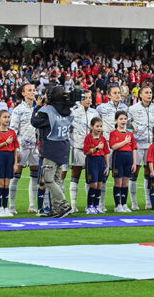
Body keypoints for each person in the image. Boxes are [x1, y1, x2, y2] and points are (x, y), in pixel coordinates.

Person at [30, 84, 75, 218]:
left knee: (48, 179)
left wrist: (38, 106)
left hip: (51, 147)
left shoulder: (47, 110)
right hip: (64, 146)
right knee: (56, 179)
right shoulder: (67, 110)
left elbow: (35, 121)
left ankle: (63, 205)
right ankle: (56, 209)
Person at [10, 83, 44, 215]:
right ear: (23, 93)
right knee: (16, 176)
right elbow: (13, 130)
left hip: (36, 147)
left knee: (35, 177)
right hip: (22, 146)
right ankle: (12, 206)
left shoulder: (39, 109)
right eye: (29, 90)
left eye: (33, 90)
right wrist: (15, 149)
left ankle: (32, 205)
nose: (32, 93)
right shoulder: (18, 110)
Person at [128, 85, 154, 211]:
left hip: (150, 144)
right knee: (134, 172)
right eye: (146, 92)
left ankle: (148, 202)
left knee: (149, 173)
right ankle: (134, 203)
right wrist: (132, 135)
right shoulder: (133, 108)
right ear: (140, 95)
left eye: (150, 92)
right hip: (138, 144)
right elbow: (128, 125)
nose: (149, 95)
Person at [68, 89, 97, 212]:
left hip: (91, 150)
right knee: (75, 176)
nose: (88, 100)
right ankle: (73, 205)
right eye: (86, 97)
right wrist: (72, 144)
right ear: (80, 99)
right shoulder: (73, 113)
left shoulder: (94, 113)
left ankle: (89, 204)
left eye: (90, 97)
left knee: (90, 178)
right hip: (78, 148)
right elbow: (68, 130)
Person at [0, 110, 18, 217]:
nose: (7, 119)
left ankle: (6, 208)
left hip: (10, 158)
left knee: (7, 183)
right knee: (0, 183)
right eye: (5, 117)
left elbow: (15, 149)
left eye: (8, 117)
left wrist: (15, 163)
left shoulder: (12, 132)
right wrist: (6, 143)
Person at [109, 110, 136, 213]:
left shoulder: (130, 133)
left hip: (129, 158)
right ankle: (118, 205)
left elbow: (134, 148)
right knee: (118, 181)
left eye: (125, 119)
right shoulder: (113, 133)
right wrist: (124, 142)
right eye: (121, 119)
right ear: (116, 121)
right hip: (118, 158)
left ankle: (124, 204)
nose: (123, 121)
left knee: (125, 182)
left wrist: (134, 162)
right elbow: (113, 146)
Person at [83, 117, 109, 215]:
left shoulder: (103, 139)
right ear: (91, 127)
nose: (99, 128)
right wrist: (97, 148)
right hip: (92, 161)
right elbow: (86, 152)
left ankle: (96, 206)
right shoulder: (88, 138)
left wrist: (107, 166)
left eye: (101, 126)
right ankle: (89, 206)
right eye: (97, 126)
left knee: (99, 184)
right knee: (93, 183)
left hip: (101, 162)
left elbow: (106, 153)